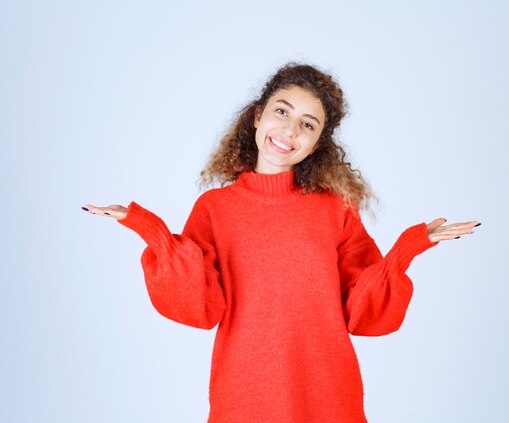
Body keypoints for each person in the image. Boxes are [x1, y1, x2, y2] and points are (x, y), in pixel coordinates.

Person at [82, 62, 480, 423]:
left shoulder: (334, 209)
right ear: (258, 116)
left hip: (328, 396)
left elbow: (364, 312)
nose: (290, 130)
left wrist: (406, 250)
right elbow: (198, 306)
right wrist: (148, 228)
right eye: (282, 111)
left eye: (308, 124)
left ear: (318, 142)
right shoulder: (215, 209)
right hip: (245, 396)